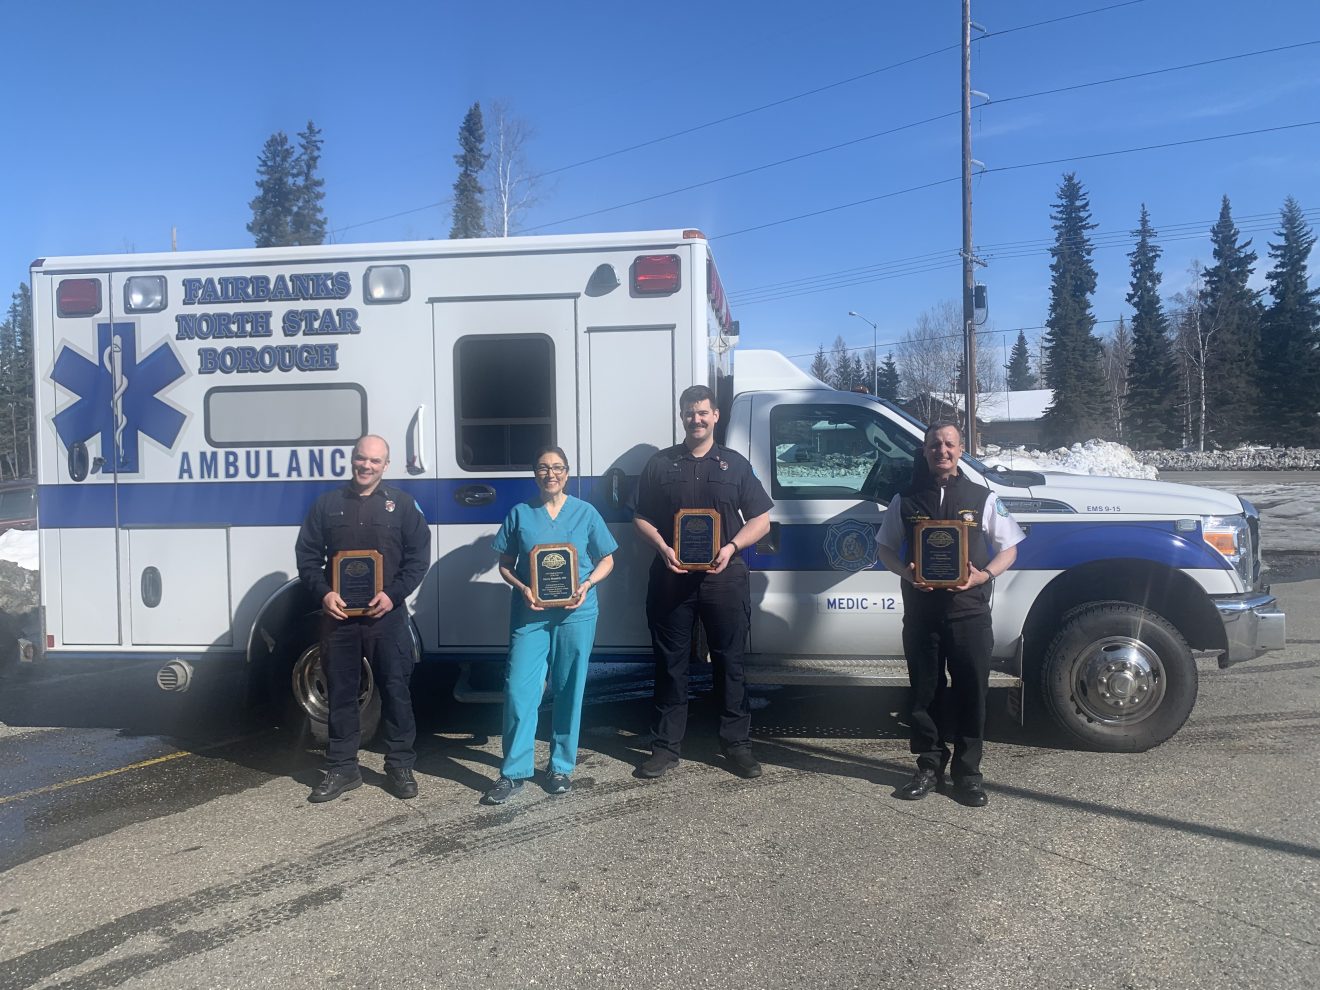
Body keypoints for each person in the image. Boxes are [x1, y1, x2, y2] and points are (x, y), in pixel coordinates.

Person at [875, 422, 1025, 808]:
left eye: (949, 444)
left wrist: (984, 574)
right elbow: (885, 548)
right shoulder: (905, 499)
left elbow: (1009, 547)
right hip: (922, 613)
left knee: (972, 692)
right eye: (934, 445)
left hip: (969, 614)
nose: (941, 450)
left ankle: (968, 775)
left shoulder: (983, 497)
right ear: (924, 452)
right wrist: (906, 572)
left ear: (960, 450)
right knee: (925, 694)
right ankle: (928, 766)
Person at [632, 384, 773, 780]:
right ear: (682, 417)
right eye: (689, 413)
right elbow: (639, 516)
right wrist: (662, 547)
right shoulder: (660, 464)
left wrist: (731, 547)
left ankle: (736, 745)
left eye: (703, 412)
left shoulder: (735, 465)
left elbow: (761, 520)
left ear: (716, 416)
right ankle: (664, 747)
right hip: (671, 579)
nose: (696, 419)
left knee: (730, 662)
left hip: (723, 579)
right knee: (670, 665)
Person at [295, 434, 431, 803]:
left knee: (395, 690)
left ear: (386, 466)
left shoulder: (401, 506)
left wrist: (393, 594)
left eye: (374, 461)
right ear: (351, 460)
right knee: (342, 693)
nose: (366, 466)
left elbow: (418, 558)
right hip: (339, 617)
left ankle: (400, 765)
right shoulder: (327, 505)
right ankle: (343, 768)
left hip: (385, 615)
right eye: (360, 458)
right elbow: (307, 556)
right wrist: (324, 593)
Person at [483, 445, 617, 805]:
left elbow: (606, 559)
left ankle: (560, 766)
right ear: (535, 474)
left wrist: (588, 585)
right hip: (531, 612)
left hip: (577, 611)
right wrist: (524, 586)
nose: (550, 474)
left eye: (557, 467)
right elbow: (506, 564)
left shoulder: (585, 513)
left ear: (567, 473)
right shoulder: (520, 514)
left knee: (568, 686)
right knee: (519, 689)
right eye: (543, 468)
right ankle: (513, 772)